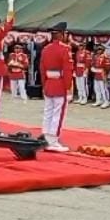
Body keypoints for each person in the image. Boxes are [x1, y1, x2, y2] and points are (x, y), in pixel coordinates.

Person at [39, 22, 73, 153]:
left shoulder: (46, 49)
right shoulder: (65, 49)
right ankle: (53, 140)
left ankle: (46, 136)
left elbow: (42, 69)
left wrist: (44, 84)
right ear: (62, 34)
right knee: (58, 113)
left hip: (49, 83)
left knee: (48, 111)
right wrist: (68, 87)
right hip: (60, 84)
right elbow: (67, 70)